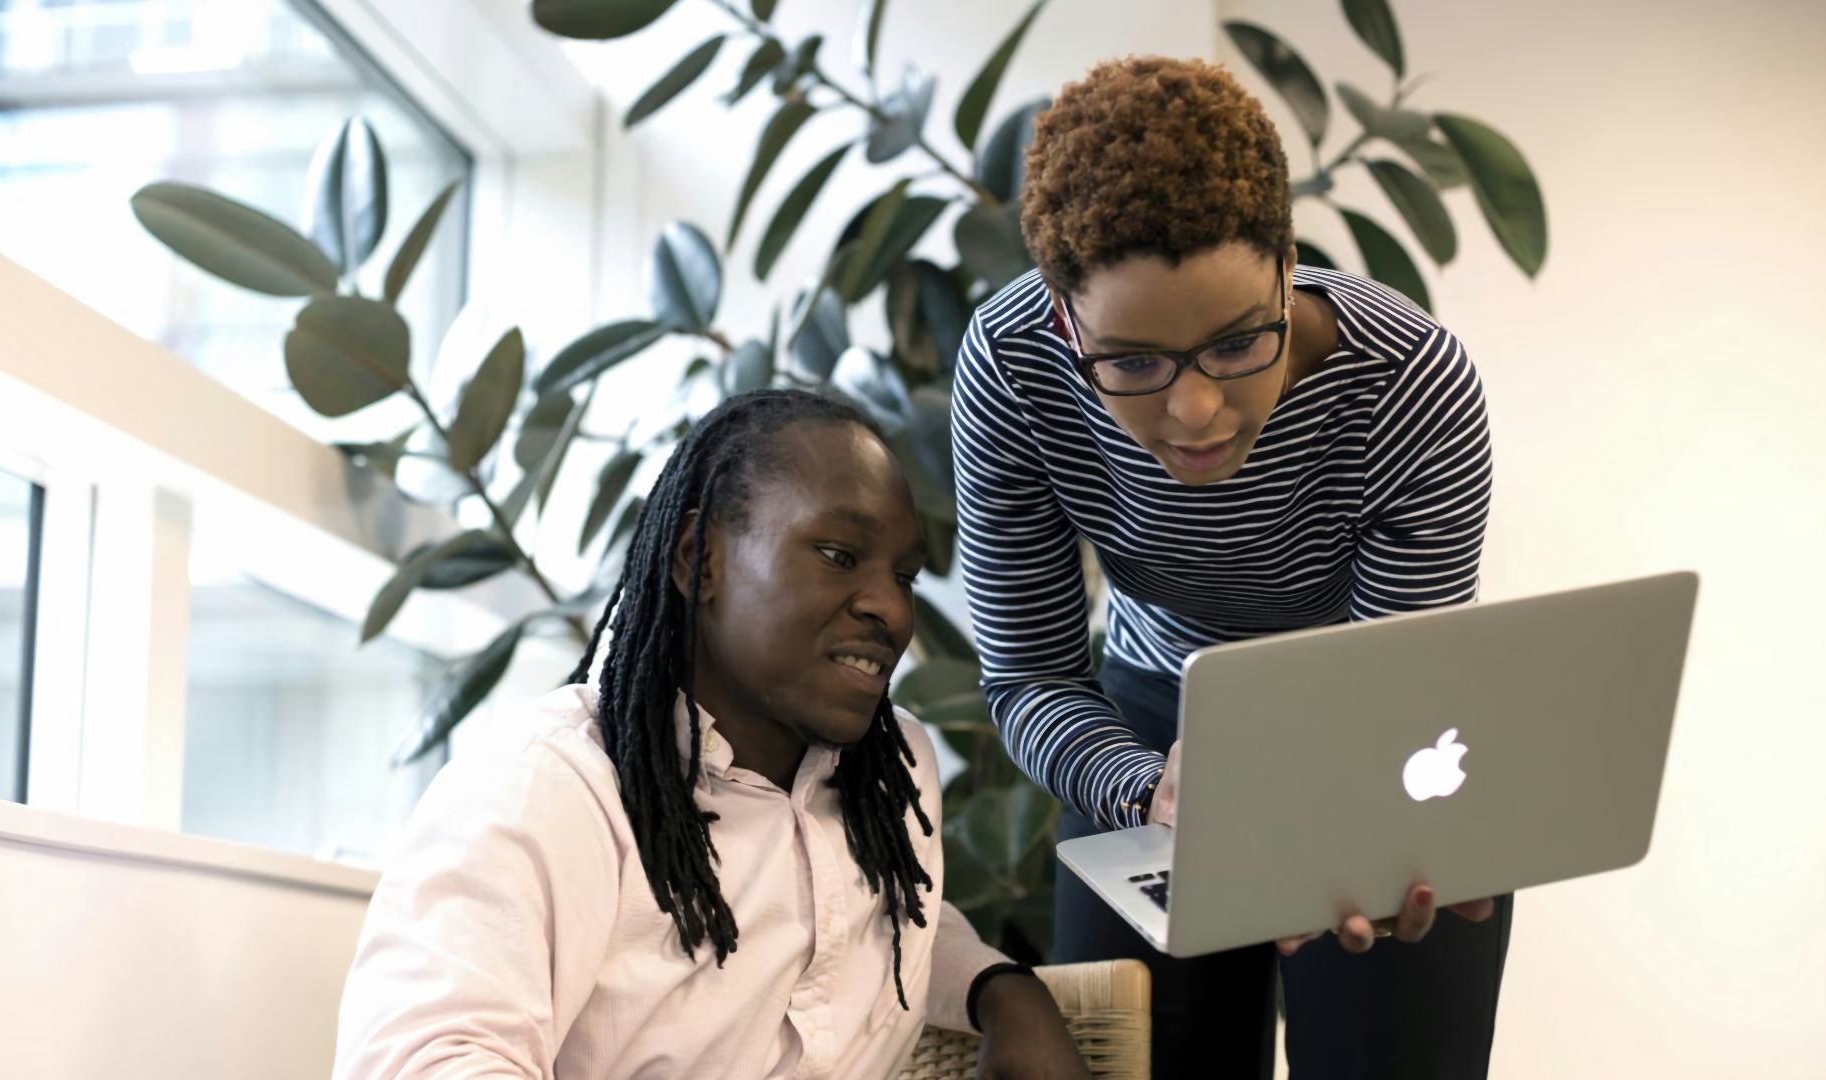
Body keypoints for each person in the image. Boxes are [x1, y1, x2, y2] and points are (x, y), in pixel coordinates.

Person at [950, 56, 1510, 1078]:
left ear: (1287, 262)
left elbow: (1391, 682)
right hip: (1149, 727)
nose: (1196, 413)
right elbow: (1028, 674)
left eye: (1239, 342)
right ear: (1066, 322)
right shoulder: (1014, 368)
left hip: (1373, 726)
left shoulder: (1411, 388)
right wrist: (1142, 787)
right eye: (1133, 364)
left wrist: (1347, 827)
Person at [332, 389, 1090, 1079]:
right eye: (839, 556)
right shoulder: (550, 790)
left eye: (905, 575)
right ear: (701, 559)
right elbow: (428, 1061)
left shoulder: (890, 780)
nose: (891, 611)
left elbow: (895, 912)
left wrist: (1000, 989)